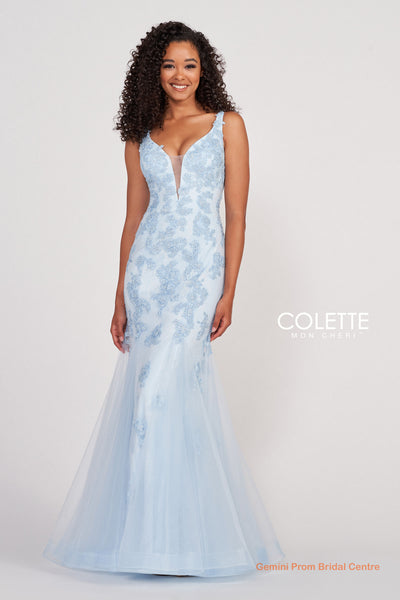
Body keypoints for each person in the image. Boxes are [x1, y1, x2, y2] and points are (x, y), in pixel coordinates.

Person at [42, 21, 285, 578]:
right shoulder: (139, 134)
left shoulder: (227, 125)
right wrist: (120, 296)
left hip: (199, 276)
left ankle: (181, 537)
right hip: (147, 277)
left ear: (204, 71)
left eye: (190, 65)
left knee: (169, 390)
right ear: (154, 71)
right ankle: (149, 539)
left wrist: (229, 289)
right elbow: (133, 218)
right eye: (170, 65)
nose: (180, 75)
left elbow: (237, 216)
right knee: (150, 397)